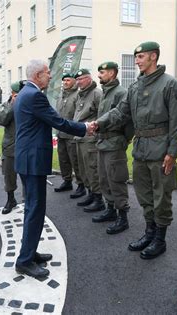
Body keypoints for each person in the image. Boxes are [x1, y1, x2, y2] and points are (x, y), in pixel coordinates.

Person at [94, 41, 177, 259]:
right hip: (141, 150)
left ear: (153, 57)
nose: (137, 61)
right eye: (136, 57)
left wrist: (172, 153)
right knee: (144, 195)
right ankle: (149, 232)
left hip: (161, 151)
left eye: (141, 57)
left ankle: (160, 239)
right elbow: (120, 112)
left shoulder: (170, 85)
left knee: (161, 197)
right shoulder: (136, 87)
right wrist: (99, 123)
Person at [14, 59, 90, 278]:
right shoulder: (35, 96)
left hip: (27, 159)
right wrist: (85, 128)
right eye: (47, 73)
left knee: (33, 208)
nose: (50, 76)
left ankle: (29, 251)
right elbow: (59, 122)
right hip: (32, 161)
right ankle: (25, 260)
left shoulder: (25, 93)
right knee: (35, 209)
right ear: (38, 75)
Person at [92, 62, 132, 235]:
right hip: (103, 143)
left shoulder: (121, 93)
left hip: (114, 144)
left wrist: (125, 139)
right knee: (104, 179)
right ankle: (110, 210)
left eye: (102, 72)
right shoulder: (106, 93)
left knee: (116, 180)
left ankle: (122, 217)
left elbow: (127, 119)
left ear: (112, 73)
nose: (99, 75)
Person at [73, 69, 104, 212]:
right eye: (77, 79)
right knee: (84, 169)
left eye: (81, 79)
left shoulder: (97, 93)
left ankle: (99, 199)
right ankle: (91, 193)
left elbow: (102, 115)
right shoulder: (81, 94)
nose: (78, 82)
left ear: (89, 79)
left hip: (90, 139)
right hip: (80, 137)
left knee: (93, 169)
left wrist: (96, 132)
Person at [54, 73, 85, 199]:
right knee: (63, 159)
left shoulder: (77, 95)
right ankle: (67, 181)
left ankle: (81, 185)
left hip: (72, 134)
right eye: (64, 80)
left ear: (74, 81)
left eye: (68, 80)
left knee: (76, 161)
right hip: (61, 133)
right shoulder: (61, 95)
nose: (65, 82)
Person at [0, 81, 21, 214]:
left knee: (27, 177)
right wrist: (12, 105)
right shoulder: (6, 105)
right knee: (9, 176)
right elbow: (1, 120)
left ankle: (28, 201)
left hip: (25, 147)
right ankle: (10, 199)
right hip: (10, 146)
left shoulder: (28, 105)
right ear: (12, 94)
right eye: (17, 94)